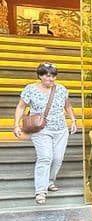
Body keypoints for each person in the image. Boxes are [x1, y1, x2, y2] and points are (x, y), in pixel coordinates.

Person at [13, 63, 77, 204]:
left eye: (53, 76)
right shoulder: (30, 89)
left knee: (57, 158)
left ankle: (49, 181)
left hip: (61, 129)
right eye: (48, 76)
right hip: (41, 129)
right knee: (45, 157)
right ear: (40, 76)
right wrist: (16, 124)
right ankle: (40, 191)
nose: (51, 79)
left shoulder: (61, 89)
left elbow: (68, 105)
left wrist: (73, 120)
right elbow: (21, 106)